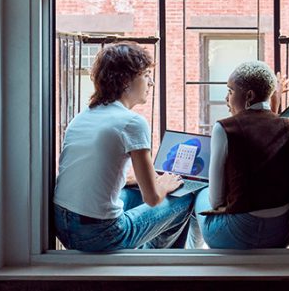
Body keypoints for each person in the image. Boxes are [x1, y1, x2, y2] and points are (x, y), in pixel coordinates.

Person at [53, 42, 195, 252]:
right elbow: (153, 198)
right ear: (126, 80)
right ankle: (153, 260)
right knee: (183, 198)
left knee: (132, 192)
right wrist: (164, 184)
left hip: (61, 225)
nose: (151, 83)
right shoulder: (132, 123)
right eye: (146, 75)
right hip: (99, 236)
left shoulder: (83, 116)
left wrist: (134, 179)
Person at [190, 61, 289, 249]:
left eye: (230, 92)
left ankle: (192, 252)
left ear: (249, 95)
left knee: (200, 192)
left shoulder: (224, 127)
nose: (226, 98)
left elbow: (215, 200)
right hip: (280, 235)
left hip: (237, 235)